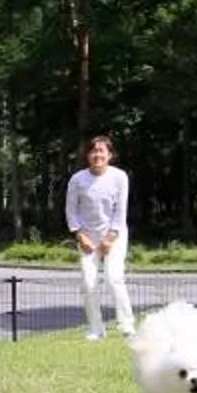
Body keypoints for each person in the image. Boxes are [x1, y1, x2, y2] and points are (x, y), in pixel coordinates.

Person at [64, 135, 134, 340]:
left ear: (110, 155)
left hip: (115, 235)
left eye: (102, 151)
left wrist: (110, 239)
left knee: (114, 278)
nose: (97, 155)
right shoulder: (77, 179)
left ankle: (127, 324)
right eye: (93, 151)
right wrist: (80, 235)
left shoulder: (120, 177)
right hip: (87, 237)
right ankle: (96, 328)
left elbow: (120, 211)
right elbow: (71, 211)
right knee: (88, 282)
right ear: (87, 155)